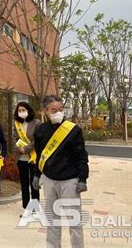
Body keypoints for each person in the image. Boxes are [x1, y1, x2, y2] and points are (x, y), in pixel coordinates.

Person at [33, 95, 89, 248]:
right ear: (46, 111)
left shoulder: (73, 130)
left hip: (70, 181)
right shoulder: (41, 130)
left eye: (61, 109)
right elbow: (39, 155)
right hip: (49, 180)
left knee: (74, 220)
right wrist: (37, 175)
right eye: (54, 110)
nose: (58, 112)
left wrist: (83, 179)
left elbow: (81, 155)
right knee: (52, 219)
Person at [13, 102, 41, 216]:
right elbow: (15, 138)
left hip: (33, 157)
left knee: (34, 184)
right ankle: (26, 208)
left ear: (28, 110)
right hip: (21, 159)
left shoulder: (37, 123)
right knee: (24, 184)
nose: (21, 112)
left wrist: (27, 148)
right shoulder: (17, 124)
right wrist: (19, 147)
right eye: (19, 110)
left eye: (23, 110)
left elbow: (39, 140)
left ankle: (35, 208)